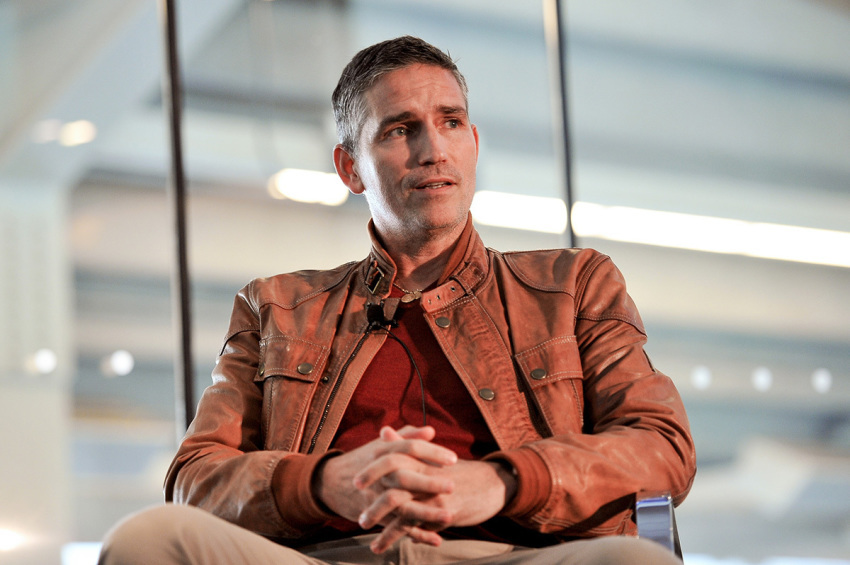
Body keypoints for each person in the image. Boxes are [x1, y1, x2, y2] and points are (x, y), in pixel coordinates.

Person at [98, 35, 696, 565]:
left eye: (452, 122)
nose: (434, 149)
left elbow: (663, 444)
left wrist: (504, 481)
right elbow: (195, 479)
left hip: (512, 552)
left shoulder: (571, 285)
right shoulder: (277, 306)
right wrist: (324, 483)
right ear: (349, 168)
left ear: (474, 142)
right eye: (400, 129)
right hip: (329, 556)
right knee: (147, 540)